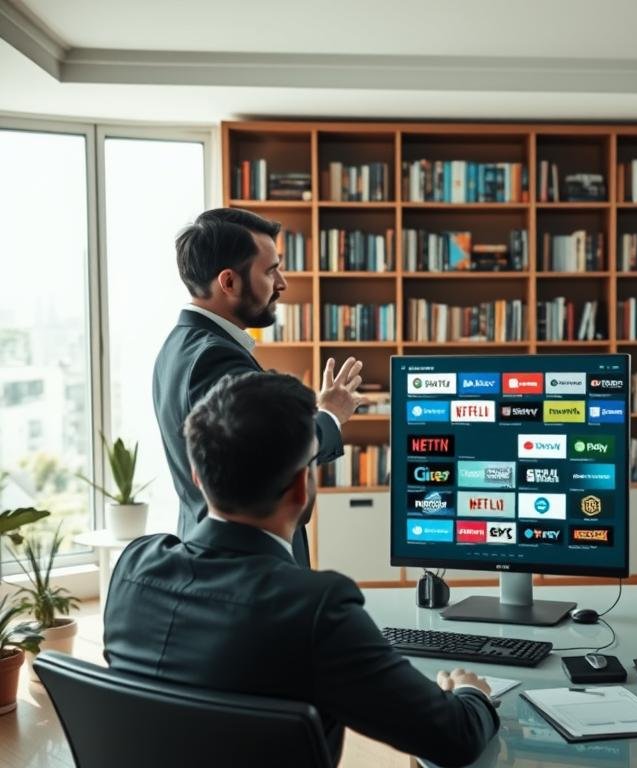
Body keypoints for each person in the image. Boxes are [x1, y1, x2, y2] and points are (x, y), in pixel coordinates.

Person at [105, 371, 499, 766]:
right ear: (301, 486)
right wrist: (471, 693)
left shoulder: (133, 568)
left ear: (197, 478)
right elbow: (455, 739)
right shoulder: (315, 609)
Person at [154, 208, 364, 568]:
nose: (282, 283)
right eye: (270, 271)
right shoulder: (216, 358)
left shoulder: (179, 343)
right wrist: (330, 414)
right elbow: (270, 456)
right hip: (243, 565)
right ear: (229, 282)